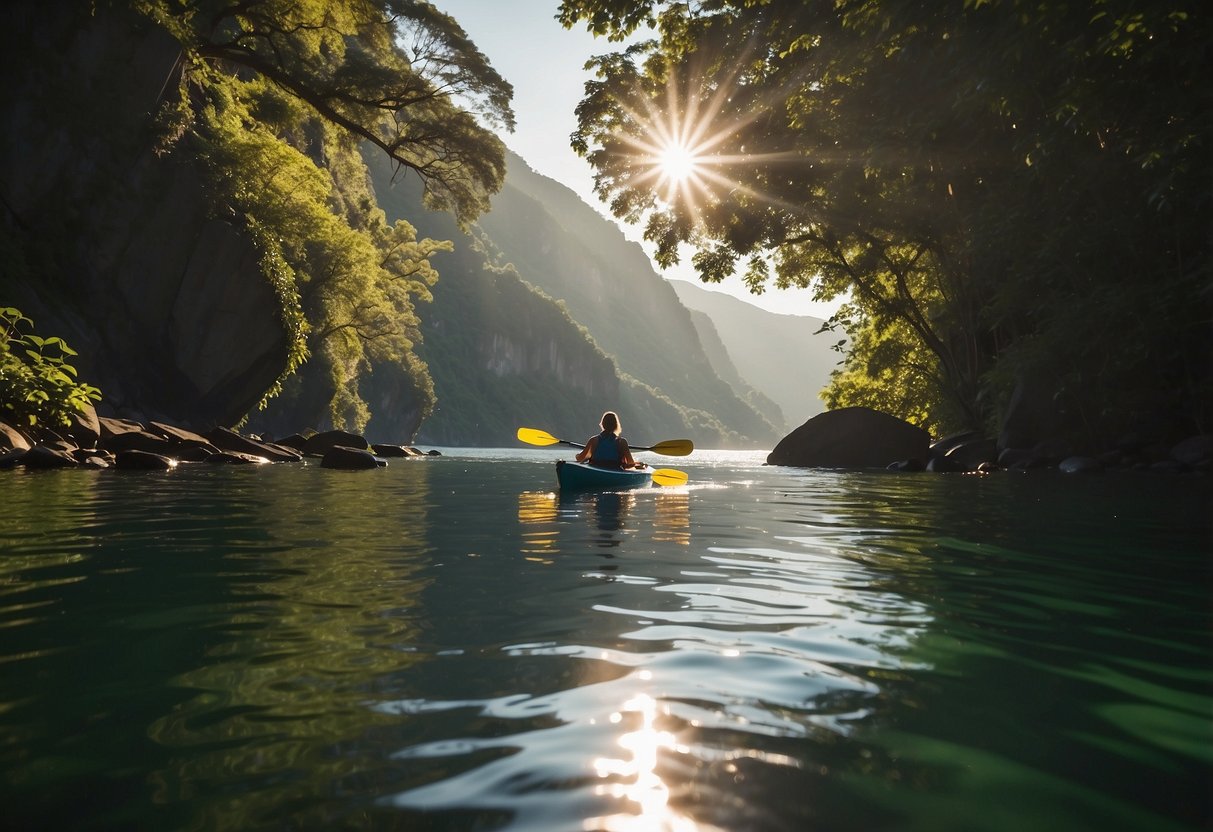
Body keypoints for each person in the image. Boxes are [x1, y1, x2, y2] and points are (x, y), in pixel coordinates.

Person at [576, 411, 646, 470]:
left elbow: (580, 458)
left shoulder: (594, 440)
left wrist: (577, 455)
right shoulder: (622, 442)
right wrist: (638, 464)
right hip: (615, 471)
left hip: (596, 470)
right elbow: (630, 463)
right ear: (616, 425)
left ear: (602, 424)